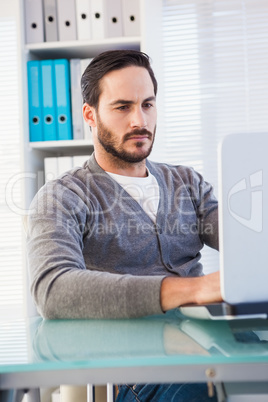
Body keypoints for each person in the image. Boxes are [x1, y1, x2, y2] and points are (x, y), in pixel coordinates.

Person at [27, 50, 222, 401]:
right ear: (90, 114)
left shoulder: (187, 182)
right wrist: (191, 290)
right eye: (122, 107)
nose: (139, 120)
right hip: (137, 370)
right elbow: (52, 289)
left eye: (148, 104)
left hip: (211, 344)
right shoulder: (63, 195)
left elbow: (245, 241)